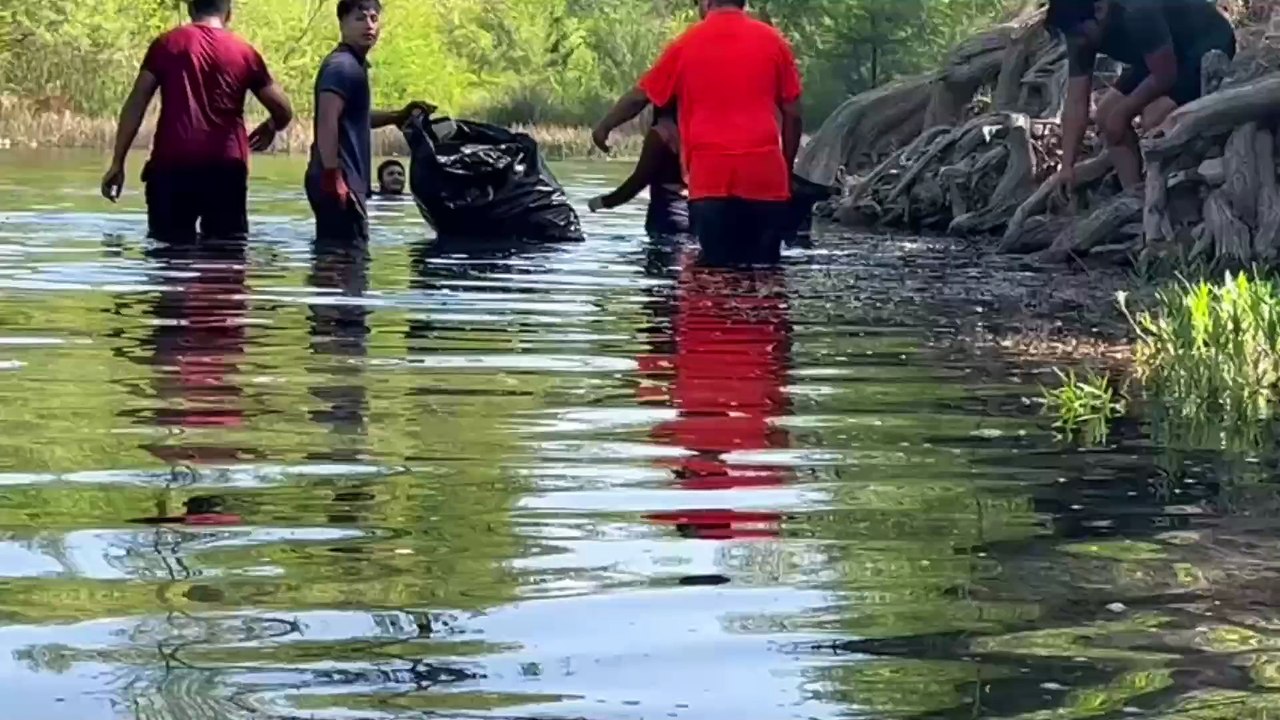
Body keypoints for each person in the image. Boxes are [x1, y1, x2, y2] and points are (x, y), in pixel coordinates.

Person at [592, 0, 803, 267]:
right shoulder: (774, 42)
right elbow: (794, 114)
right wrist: (784, 167)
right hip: (764, 174)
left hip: (710, 177)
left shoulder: (685, 44)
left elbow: (639, 97)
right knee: (766, 273)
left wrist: (604, 127)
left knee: (714, 276)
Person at [100, 0, 293, 241]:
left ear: (191, 8)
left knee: (169, 261)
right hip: (226, 171)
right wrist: (272, 126)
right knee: (226, 260)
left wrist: (118, 162)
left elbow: (137, 103)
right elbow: (284, 109)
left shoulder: (167, 44)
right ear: (229, 13)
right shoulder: (244, 52)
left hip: (172, 167)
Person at [1048, 0, 1236, 193]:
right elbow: (1076, 101)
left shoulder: (1136, 11)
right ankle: (1134, 194)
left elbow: (1165, 75)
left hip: (1202, 44)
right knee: (1105, 115)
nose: (1076, 43)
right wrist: (1067, 166)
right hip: (1159, 54)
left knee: (1154, 118)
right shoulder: (1081, 34)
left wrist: (1123, 112)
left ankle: (1177, 187)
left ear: (1100, 10)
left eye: (1078, 35)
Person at [305, 0, 433, 242]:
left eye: (374, 19)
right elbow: (326, 120)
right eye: (360, 18)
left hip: (344, 179)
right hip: (337, 179)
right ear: (342, 23)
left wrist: (397, 116)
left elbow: (356, 118)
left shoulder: (354, 65)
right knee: (344, 261)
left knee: (344, 259)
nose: (369, 25)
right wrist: (333, 175)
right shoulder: (341, 66)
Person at [587, 104, 689, 238]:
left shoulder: (661, 134)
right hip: (693, 217)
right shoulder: (694, 131)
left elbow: (639, 181)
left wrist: (603, 202)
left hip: (667, 217)